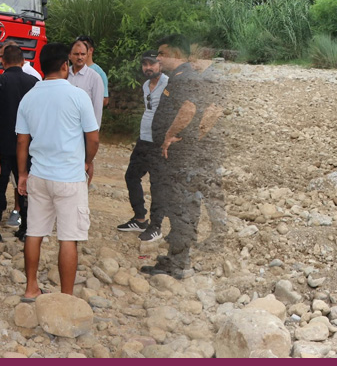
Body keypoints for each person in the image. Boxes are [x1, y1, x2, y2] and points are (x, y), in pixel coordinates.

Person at [16, 43, 100, 299]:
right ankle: (65, 297)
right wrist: (87, 162)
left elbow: (22, 140)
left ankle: (31, 288)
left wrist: (22, 174)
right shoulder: (77, 96)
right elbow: (93, 138)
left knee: (34, 232)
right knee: (68, 238)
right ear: (65, 65)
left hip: (39, 176)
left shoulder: (29, 97)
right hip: (69, 178)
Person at [140, 34, 226, 279]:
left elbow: (190, 109)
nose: (157, 58)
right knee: (182, 203)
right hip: (180, 153)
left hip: (178, 155)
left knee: (181, 205)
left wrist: (170, 136)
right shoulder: (184, 77)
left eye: (161, 54)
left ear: (174, 54)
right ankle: (177, 256)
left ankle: (178, 263)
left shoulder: (185, 78)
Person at [0, 43, 37, 241]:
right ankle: (26, 229)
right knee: (26, 187)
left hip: (1, 145)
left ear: (3, 61)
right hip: (28, 146)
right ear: (23, 62)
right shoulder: (34, 83)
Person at [117, 50, 168, 238]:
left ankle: (156, 226)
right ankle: (140, 220)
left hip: (159, 142)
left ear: (160, 65)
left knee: (157, 183)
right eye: (145, 64)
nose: (148, 68)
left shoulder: (169, 83)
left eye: (151, 64)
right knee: (131, 176)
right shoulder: (146, 85)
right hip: (143, 139)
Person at [66, 39, 104, 127]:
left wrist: (94, 131)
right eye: (76, 54)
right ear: (69, 56)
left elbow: (97, 108)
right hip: (65, 127)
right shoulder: (64, 75)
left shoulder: (95, 78)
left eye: (83, 54)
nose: (80, 57)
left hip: (84, 128)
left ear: (87, 55)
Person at [76, 35, 110, 109]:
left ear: (90, 50)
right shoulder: (70, 71)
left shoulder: (99, 73)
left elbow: (105, 100)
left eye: (83, 48)